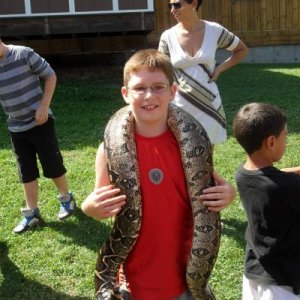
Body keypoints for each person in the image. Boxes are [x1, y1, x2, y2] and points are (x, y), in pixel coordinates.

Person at [82, 49, 236, 300]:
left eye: (158, 87)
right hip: (134, 279)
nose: (149, 95)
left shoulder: (191, 146)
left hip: (185, 273)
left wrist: (228, 193)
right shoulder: (107, 150)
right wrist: (89, 207)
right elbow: (101, 200)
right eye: (139, 88)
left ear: (172, 91)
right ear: (125, 94)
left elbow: (212, 184)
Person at [0, 36, 76, 234]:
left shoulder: (23, 54)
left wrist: (44, 106)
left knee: (51, 162)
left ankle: (66, 199)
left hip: (40, 122)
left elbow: (50, 75)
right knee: (26, 170)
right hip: (16, 127)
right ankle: (32, 212)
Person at [233, 102, 300, 299]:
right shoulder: (286, 188)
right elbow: (283, 182)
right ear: (271, 142)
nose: (286, 142)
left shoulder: (243, 174)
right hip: (281, 283)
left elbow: (275, 175)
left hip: (256, 270)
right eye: (285, 137)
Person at [158, 0, 248, 145]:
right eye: (171, 5)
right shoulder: (167, 37)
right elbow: (161, 70)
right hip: (179, 104)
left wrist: (219, 69)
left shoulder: (214, 30)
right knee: (183, 153)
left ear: (193, 3)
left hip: (209, 104)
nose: (172, 10)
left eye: (177, 5)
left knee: (208, 153)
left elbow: (241, 50)